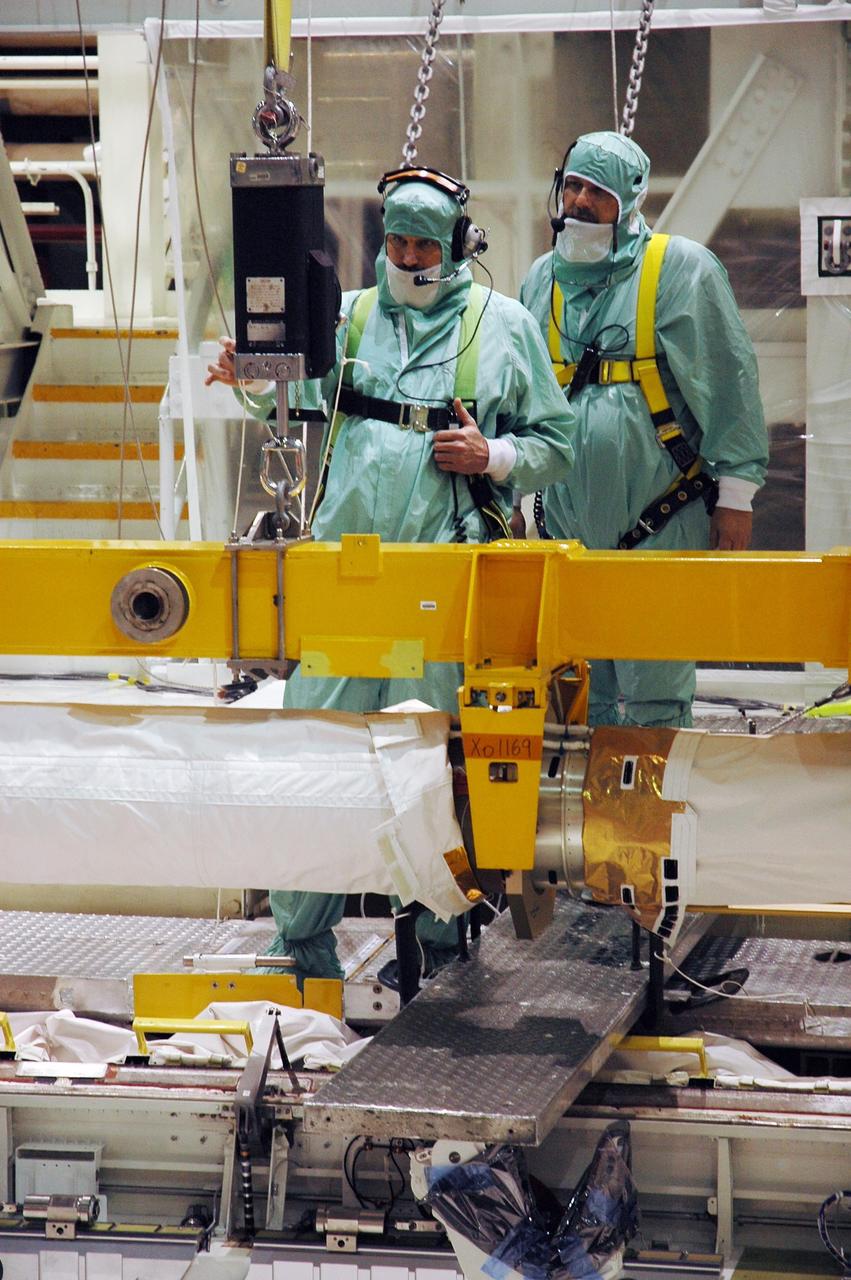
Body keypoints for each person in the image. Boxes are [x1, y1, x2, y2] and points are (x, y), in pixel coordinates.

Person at [207, 166, 577, 983]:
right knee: (318, 758)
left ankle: (443, 941)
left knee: (436, 766)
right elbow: (291, 401)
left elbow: (559, 443)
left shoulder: (502, 325)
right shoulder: (350, 317)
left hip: (442, 594)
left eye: (425, 244)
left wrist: (494, 454)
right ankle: (301, 943)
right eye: (397, 241)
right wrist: (249, 375)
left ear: (456, 247)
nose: (409, 258)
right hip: (345, 587)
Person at [520, 130, 768, 729]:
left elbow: (727, 379)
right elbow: (524, 395)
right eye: (572, 185)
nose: (578, 201)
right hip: (565, 524)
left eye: (597, 192)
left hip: (659, 515)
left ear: (628, 204)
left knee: (654, 696)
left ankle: (647, 820)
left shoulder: (678, 269)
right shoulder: (540, 281)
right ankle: (586, 817)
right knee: (580, 693)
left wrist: (735, 496)